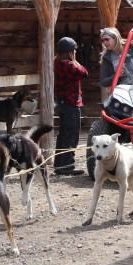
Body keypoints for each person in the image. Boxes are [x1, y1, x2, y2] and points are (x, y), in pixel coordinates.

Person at [53, 37, 88, 175]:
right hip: (71, 102)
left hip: (63, 102)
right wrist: (76, 62)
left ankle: (59, 165)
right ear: (69, 52)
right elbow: (84, 72)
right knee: (71, 135)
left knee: (63, 135)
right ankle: (67, 166)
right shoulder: (69, 65)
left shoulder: (57, 62)